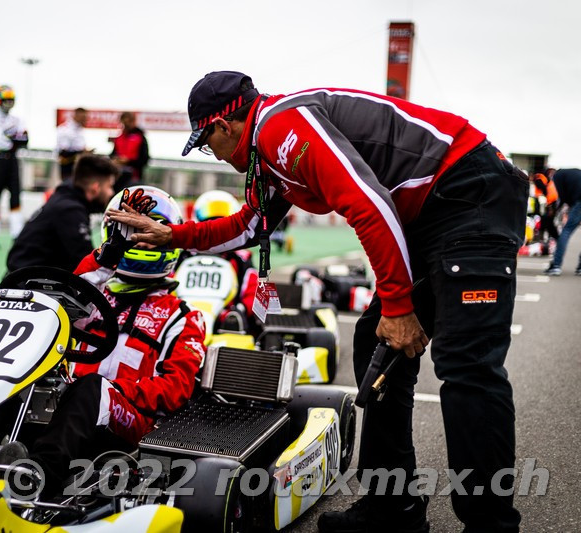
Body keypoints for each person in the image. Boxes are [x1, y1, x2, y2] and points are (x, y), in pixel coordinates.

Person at [108, 71, 529, 532]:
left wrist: (398, 305)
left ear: (223, 126)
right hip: (435, 208)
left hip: (469, 191)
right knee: (376, 345)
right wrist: (174, 234)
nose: (214, 154)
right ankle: (393, 510)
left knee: (467, 365)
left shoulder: (281, 128)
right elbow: (250, 227)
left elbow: (369, 205)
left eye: (207, 143)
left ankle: (492, 524)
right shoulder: (264, 153)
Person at [0, 186, 205, 498]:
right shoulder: (95, 300)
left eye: (145, 232)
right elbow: (62, 304)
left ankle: (38, 478)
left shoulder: (183, 316)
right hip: (70, 410)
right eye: (130, 233)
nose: (139, 242)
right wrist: (109, 254)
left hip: (131, 422)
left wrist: (115, 389)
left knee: (93, 388)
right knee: (19, 377)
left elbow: (177, 388)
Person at [6, 154, 117, 274]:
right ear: (95, 187)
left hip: (24, 277)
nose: (112, 192)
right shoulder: (70, 210)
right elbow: (87, 264)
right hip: (27, 283)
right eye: (109, 186)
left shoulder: (64, 199)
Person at [192, 189, 259, 333]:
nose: (216, 228)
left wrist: (241, 310)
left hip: (225, 320)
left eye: (221, 223)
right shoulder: (184, 253)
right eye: (211, 222)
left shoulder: (240, 258)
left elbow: (253, 290)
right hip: (184, 313)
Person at [0, 85, 28, 250]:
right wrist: (12, 137)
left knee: (16, 198)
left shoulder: (17, 119)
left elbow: (24, 139)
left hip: (12, 161)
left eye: (11, 99)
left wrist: (10, 137)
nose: (9, 103)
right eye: (6, 99)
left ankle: (16, 236)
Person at [543, 168, 581, 276]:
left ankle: (556, 266)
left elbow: (562, 197)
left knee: (566, 231)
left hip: (579, 201)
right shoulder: (572, 172)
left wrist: (554, 211)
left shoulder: (557, 176)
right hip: (578, 201)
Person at [109, 111, 150, 192]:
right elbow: (112, 154)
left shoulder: (141, 138)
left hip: (134, 178)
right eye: (124, 122)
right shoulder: (119, 138)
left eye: (129, 121)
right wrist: (115, 160)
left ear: (133, 121)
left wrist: (128, 161)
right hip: (117, 178)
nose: (126, 124)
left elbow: (145, 159)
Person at [56, 107, 90, 181]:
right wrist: (81, 152)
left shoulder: (80, 130)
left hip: (78, 167)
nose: (85, 120)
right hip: (68, 167)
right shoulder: (65, 129)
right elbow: (64, 152)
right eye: (83, 118)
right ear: (76, 116)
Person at [531, 171, 560, 249]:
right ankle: (554, 238)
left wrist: (548, 206)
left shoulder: (537, 178)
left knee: (547, 222)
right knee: (548, 223)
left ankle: (544, 240)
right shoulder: (542, 178)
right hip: (550, 202)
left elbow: (543, 190)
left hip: (549, 203)